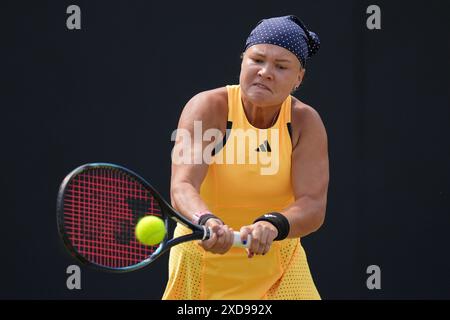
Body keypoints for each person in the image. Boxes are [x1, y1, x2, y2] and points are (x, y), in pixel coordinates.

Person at [163, 15, 329, 300]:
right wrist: (207, 221)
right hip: (201, 261)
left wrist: (271, 224)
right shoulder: (207, 107)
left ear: (298, 78)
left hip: (280, 270)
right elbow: (183, 186)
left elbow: (312, 206)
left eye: (281, 66)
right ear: (242, 61)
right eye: (257, 60)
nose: (265, 72)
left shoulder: (305, 122)